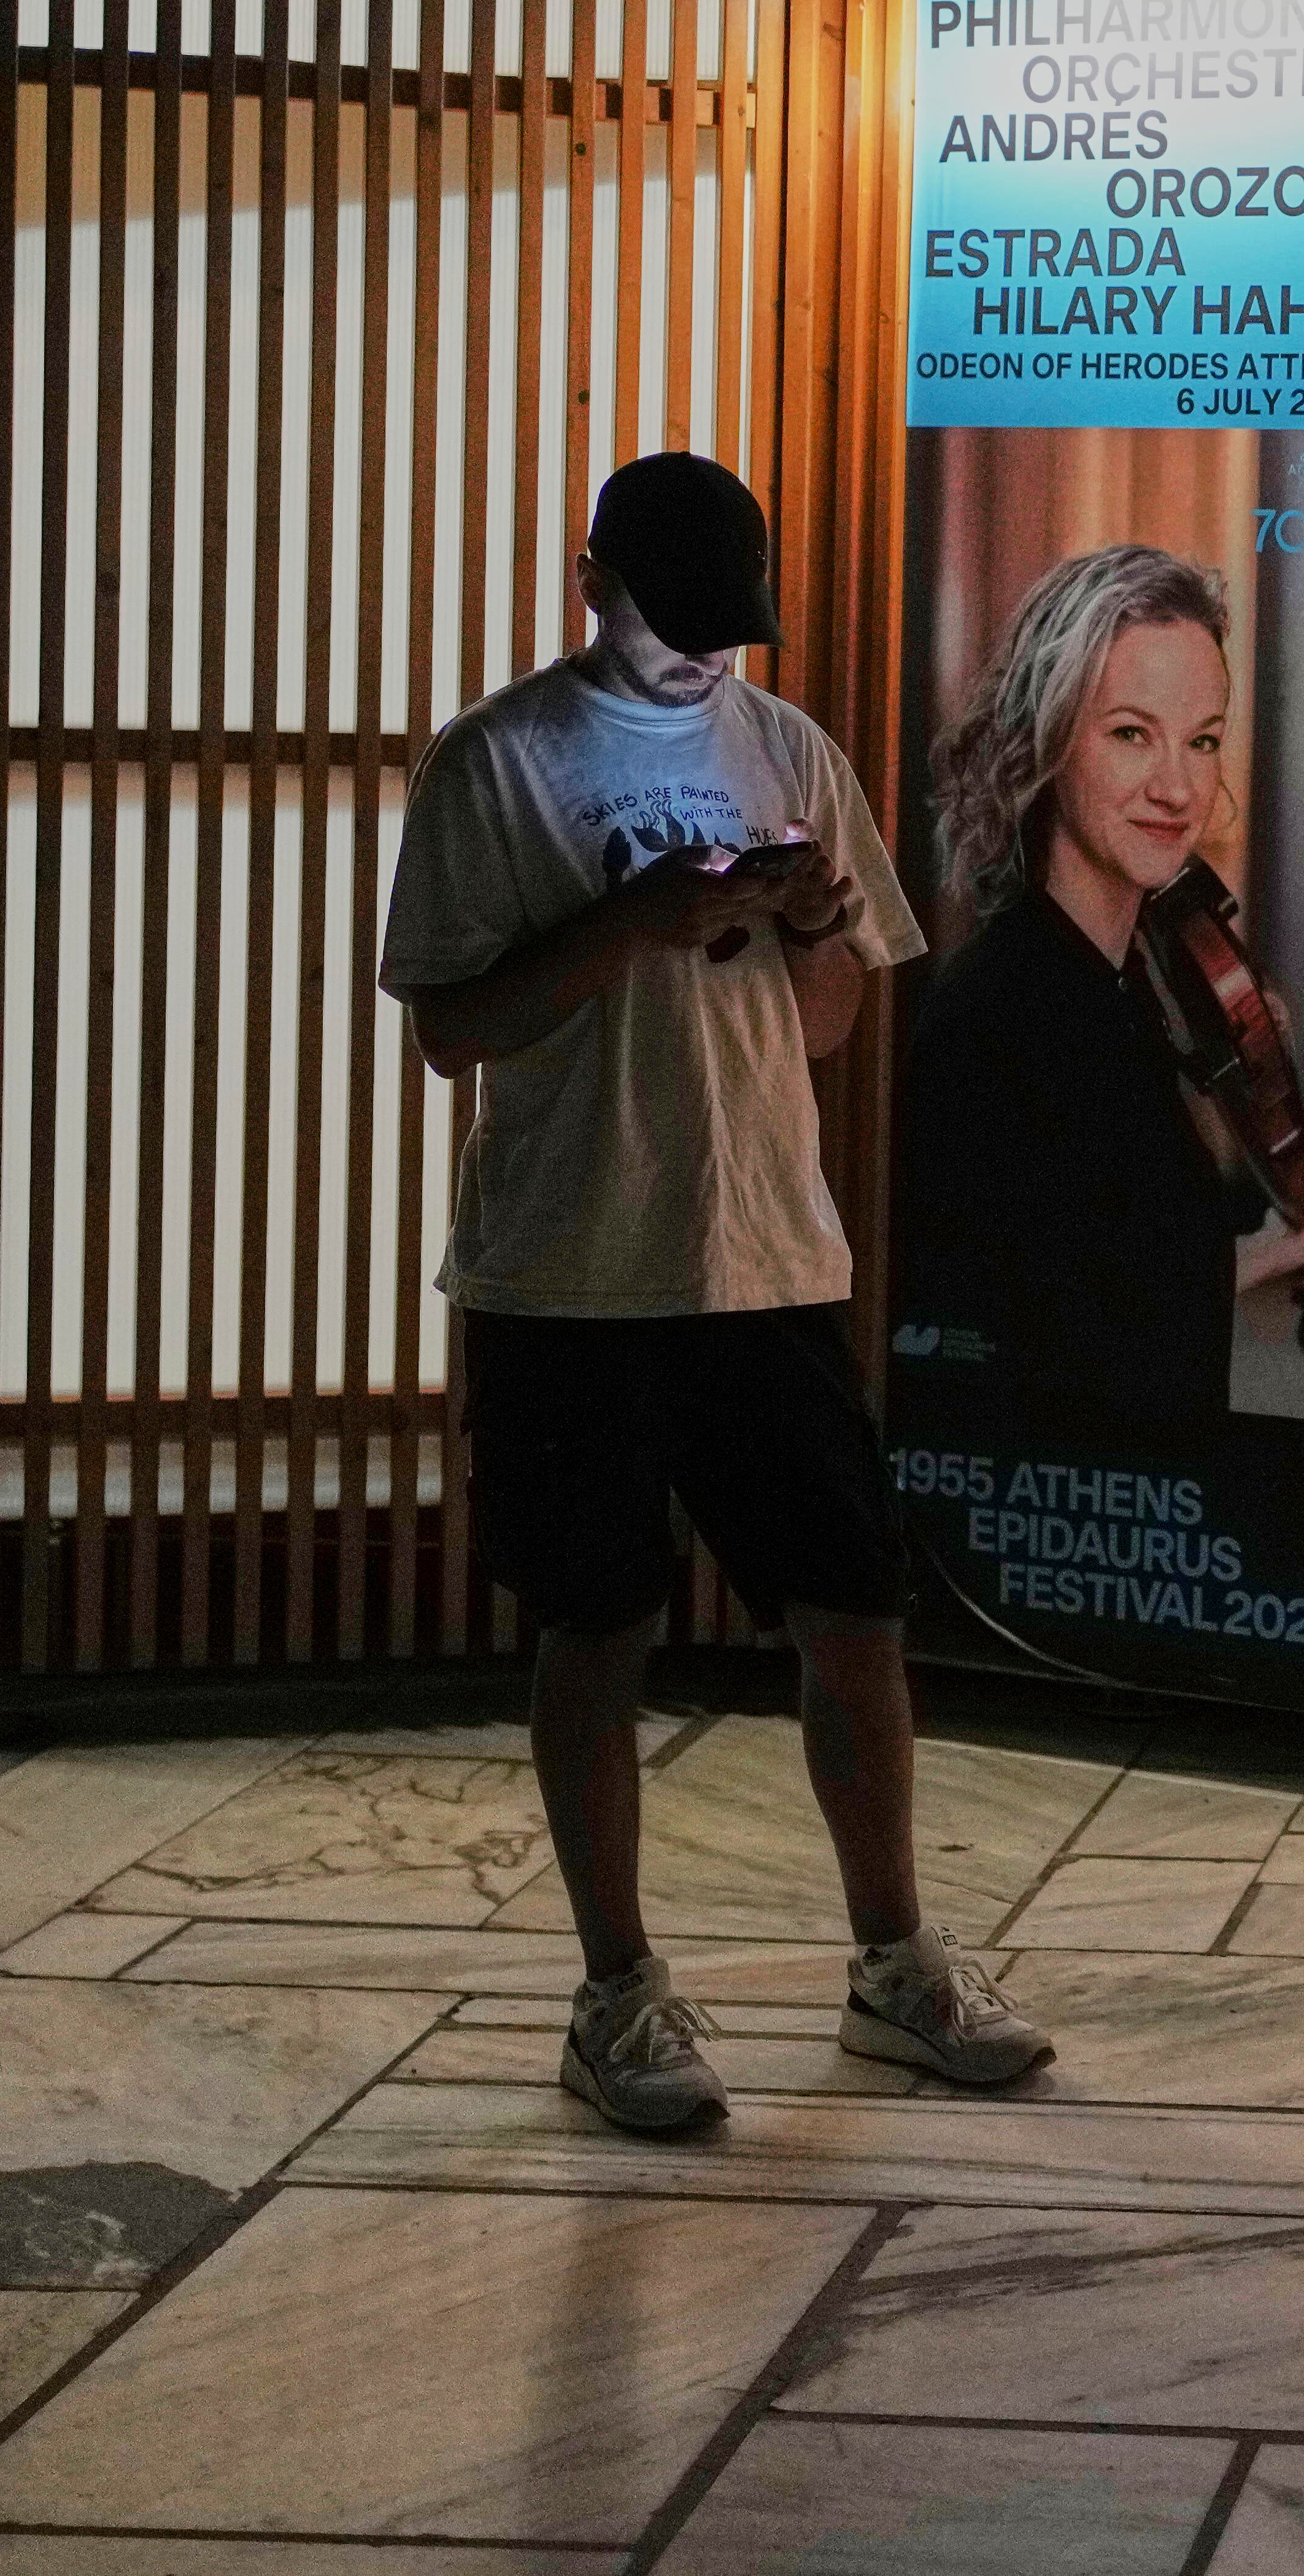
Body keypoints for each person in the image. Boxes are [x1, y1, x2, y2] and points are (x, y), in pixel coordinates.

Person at [380, 449, 1046, 2135]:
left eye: (725, 629)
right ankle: (617, 1994)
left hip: (765, 1254)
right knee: (595, 1627)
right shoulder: (497, 760)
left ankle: (895, 1959)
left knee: (856, 1615)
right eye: (673, 622)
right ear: (587, 573)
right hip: (565, 1270)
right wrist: (644, 921)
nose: (701, 658)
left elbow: (821, 1025)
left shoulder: (790, 748)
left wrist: (811, 920)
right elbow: (453, 1028)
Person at [897, 543, 1304, 1439]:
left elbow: (1114, 1240)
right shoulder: (998, 1010)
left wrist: (1269, 1231)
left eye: (1204, 740)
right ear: (1049, 738)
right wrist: (1257, 1257)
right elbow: (1024, 1323)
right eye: (1131, 733)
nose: (1180, 787)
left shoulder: (1125, 984)